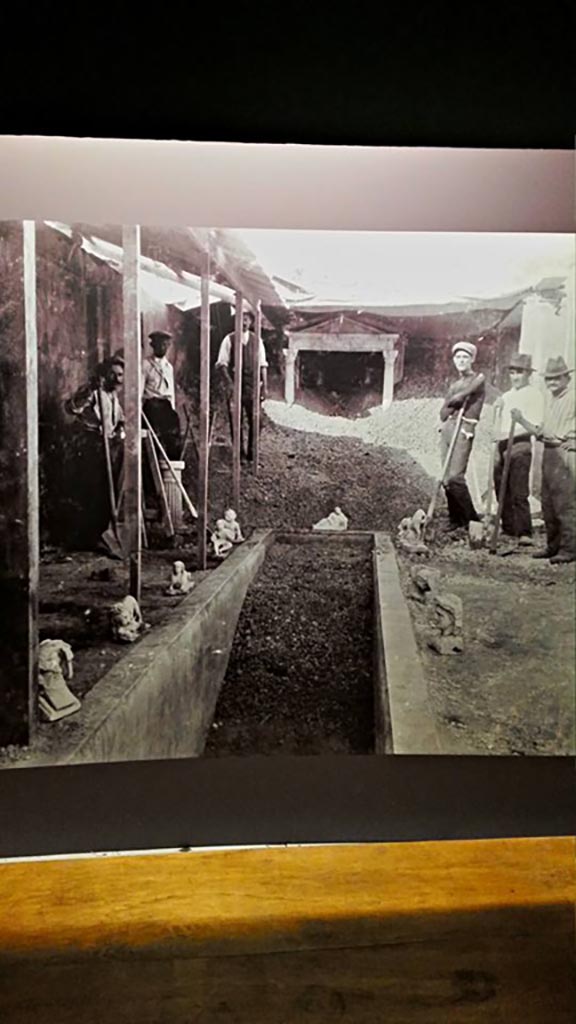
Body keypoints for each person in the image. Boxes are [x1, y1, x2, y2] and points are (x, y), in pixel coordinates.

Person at [513, 355, 575, 564]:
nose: (552, 382)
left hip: (565, 454)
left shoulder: (573, 397)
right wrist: (521, 420)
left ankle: (570, 549)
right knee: (548, 504)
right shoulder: (552, 400)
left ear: (567, 378)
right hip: (548, 452)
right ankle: (553, 546)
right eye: (549, 379)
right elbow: (541, 432)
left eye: (557, 378)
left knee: (564, 504)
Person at [63, 354, 125, 556]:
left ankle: (101, 535)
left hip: (108, 448)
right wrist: (89, 389)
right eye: (113, 374)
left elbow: (121, 419)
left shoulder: (113, 396)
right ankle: (86, 538)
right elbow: (71, 408)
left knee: (106, 493)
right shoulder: (93, 392)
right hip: (89, 448)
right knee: (90, 493)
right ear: (104, 374)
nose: (118, 379)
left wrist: (120, 431)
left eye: (121, 375)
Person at [492, 353, 544, 545]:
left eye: (519, 372)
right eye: (512, 372)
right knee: (500, 488)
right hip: (502, 446)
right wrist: (497, 412)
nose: (515, 376)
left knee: (519, 491)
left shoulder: (534, 394)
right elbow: (500, 425)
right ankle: (509, 528)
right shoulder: (506, 396)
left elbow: (535, 428)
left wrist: (520, 420)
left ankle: (524, 532)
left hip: (521, 445)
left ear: (527, 374)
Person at [439, 341, 486, 529]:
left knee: (455, 477)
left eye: (465, 357)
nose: (461, 360)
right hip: (449, 428)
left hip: (465, 428)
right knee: (445, 478)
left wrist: (460, 397)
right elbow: (443, 414)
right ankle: (455, 519)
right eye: (458, 357)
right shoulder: (454, 384)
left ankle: (472, 520)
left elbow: (477, 382)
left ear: (472, 359)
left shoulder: (478, 379)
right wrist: (454, 400)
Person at [215, 309, 268, 462]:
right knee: (235, 421)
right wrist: (230, 385)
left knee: (256, 420)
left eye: (247, 319)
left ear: (251, 322)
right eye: (241, 319)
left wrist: (264, 386)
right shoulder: (229, 339)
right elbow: (222, 364)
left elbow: (263, 365)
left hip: (252, 386)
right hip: (235, 386)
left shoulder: (257, 341)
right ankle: (239, 454)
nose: (244, 322)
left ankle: (252, 452)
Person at [142, 330, 181, 460]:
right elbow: (140, 390)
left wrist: (172, 409)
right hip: (151, 406)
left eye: (165, 345)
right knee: (154, 439)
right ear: (153, 345)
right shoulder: (145, 365)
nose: (162, 347)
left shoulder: (168, 367)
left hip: (165, 406)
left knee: (173, 437)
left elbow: (170, 393)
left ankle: (172, 469)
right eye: (159, 344)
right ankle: (154, 468)